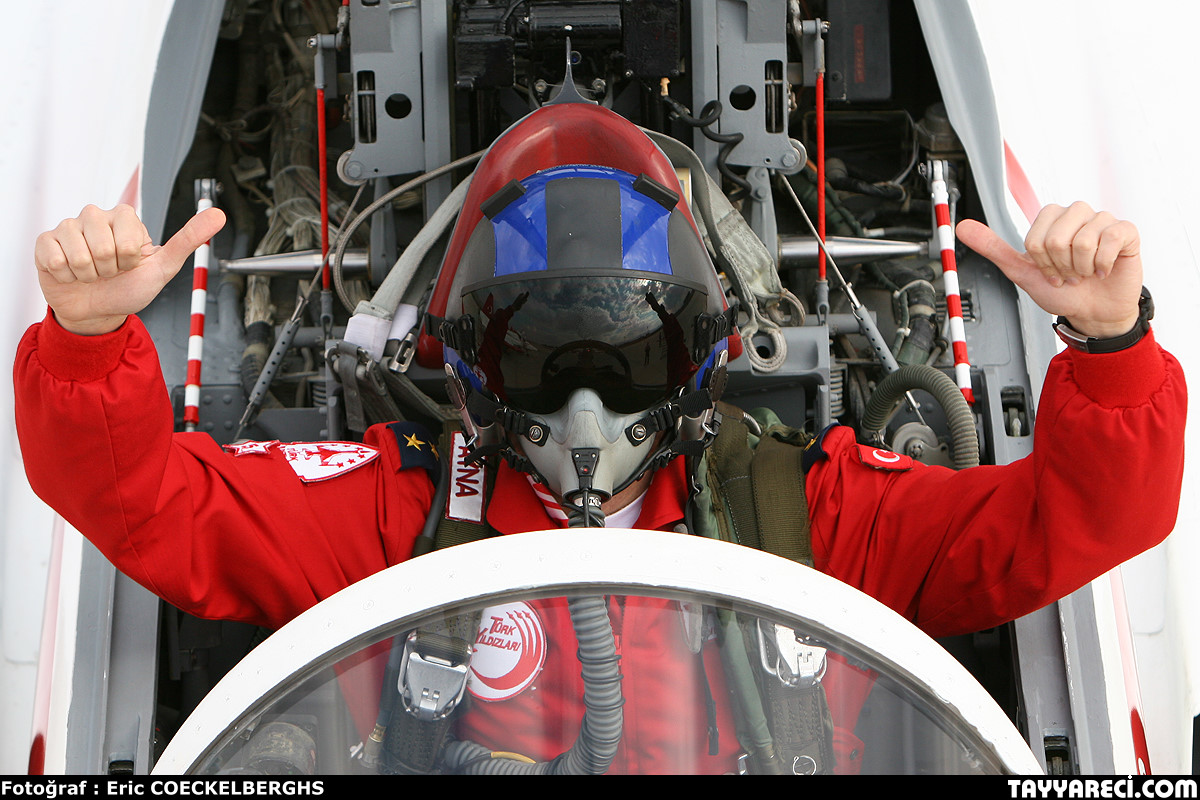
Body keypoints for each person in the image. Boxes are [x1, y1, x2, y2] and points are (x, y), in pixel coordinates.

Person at [13, 102, 1186, 774]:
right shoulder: (400, 514)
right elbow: (147, 502)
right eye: (543, 358)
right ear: (471, 359)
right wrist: (90, 334)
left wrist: (1108, 342)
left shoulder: (797, 510)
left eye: (625, 361)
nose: (586, 409)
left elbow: (1076, 522)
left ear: (698, 357)